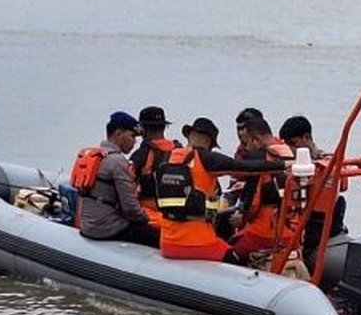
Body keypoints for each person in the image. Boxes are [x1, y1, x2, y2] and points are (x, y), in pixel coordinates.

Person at [155, 117, 280, 262]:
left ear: (189, 135)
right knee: (234, 258)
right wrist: (283, 166)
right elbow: (245, 168)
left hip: (167, 243)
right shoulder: (206, 158)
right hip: (197, 243)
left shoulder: (168, 158)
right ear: (208, 142)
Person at [73, 110, 160, 248]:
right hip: (108, 228)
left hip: (88, 225)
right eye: (132, 136)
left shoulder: (95, 156)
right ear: (118, 134)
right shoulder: (118, 162)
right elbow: (130, 209)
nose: (135, 142)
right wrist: (148, 219)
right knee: (158, 236)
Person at [278, 114, 347, 268]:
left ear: (306, 138)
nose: (291, 150)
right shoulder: (291, 164)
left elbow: (339, 186)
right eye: (288, 146)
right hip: (302, 222)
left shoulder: (326, 163)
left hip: (320, 225)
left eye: (294, 144)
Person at [227, 116, 297, 262]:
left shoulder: (258, 159)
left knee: (228, 256)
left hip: (263, 233)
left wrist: (240, 216)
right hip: (292, 232)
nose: (244, 148)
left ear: (256, 140)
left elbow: (252, 204)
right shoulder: (291, 154)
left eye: (245, 143)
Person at [130, 105, 180, 224]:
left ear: (142, 129)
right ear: (164, 127)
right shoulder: (180, 151)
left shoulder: (140, 155)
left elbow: (128, 189)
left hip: (150, 216)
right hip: (178, 217)